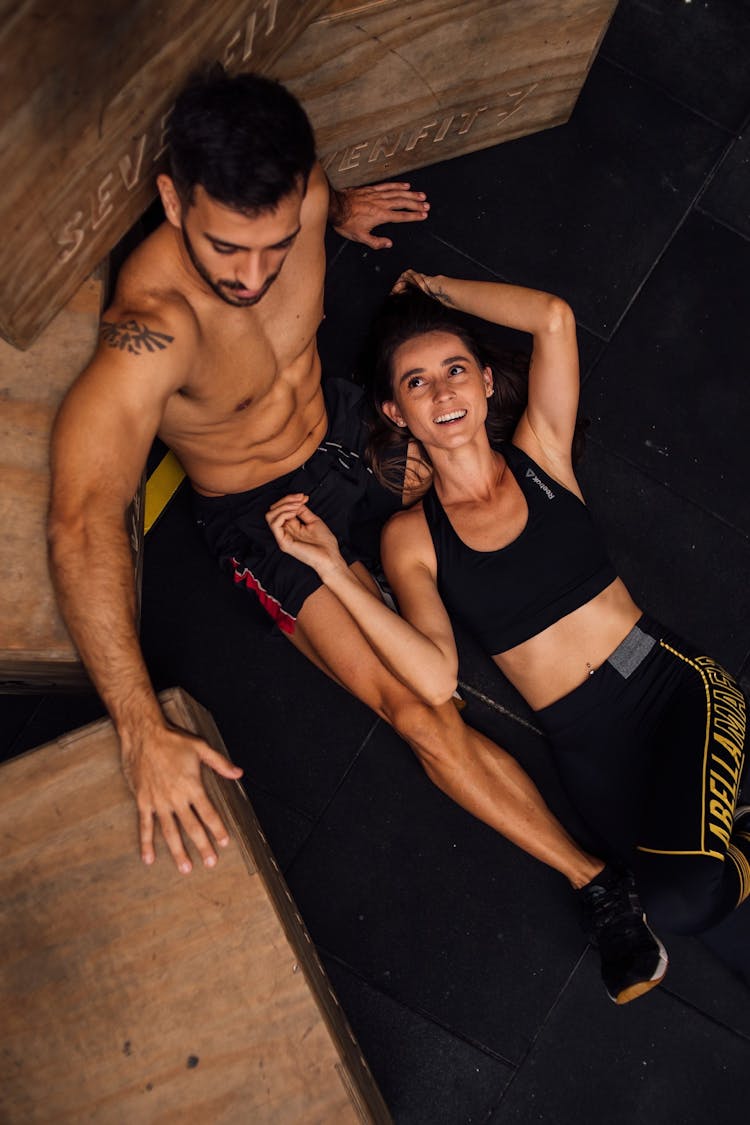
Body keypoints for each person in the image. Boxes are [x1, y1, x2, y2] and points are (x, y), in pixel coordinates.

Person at [48, 69, 664, 1006]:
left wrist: (332, 219)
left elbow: (312, 205)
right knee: (418, 707)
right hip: (267, 514)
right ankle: (597, 883)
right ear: (172, 198)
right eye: (224, 247)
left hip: (349, 431)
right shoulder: (152, 330)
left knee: (516, 490)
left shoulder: (305, 199)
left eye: (276, 242)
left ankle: (645, 717)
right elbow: (83, 516)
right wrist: (140, 727)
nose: (253, 278)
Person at [266, 270, 750, 986]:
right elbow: (432, 675)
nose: (443, 392)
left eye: (455, 371)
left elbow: (554, 317)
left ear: (487, 382)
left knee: (681, 901)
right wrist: (335, 569)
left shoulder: (542, 455)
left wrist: (434, 292)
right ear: (396, 412)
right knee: (718, 926)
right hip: (590, 752)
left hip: (667, 687)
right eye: (418, 383)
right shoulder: (412, 538)